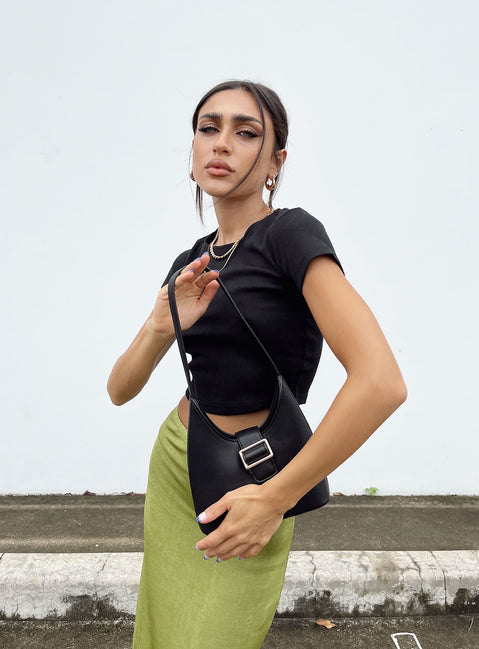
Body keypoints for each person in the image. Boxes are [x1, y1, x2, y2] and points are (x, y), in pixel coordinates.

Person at [107, 80, 407, 649]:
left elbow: (381, 382)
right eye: (208, 128)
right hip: (175, 460)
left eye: (246, 133)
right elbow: (120, 389)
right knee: (162, 629)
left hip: (252, 477)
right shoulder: (190, 261)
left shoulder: (289, 234)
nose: (222, 143)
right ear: (193, 151)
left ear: (275, 163)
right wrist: (159, 325)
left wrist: (274, 499)